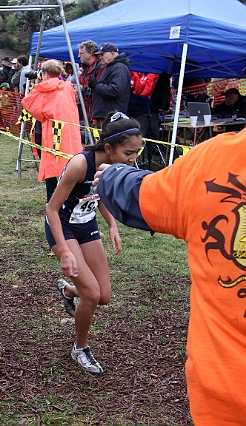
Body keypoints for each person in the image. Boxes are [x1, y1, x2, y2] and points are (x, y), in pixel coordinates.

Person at [95, 128, 246, 426]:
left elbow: (139, 195)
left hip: (226, 397)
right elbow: (147, 191)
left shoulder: (216, 160)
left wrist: (112, 176)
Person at [46, 111, 142, 374]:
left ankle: (68, 291)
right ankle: (80, 348)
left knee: (104, 296)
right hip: (63, 226)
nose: (133, 159)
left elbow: (98, 196)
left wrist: (112, 225)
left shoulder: (113, 166)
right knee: (92, 293)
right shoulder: (80, 164)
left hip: (86, 226)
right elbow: (51, 209)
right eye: (128, 153)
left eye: (137, 152)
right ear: (109, 148)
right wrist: (64, 251)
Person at [21, 59, 83, 202]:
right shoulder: (67, 86)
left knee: (50, 163)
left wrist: (37, 85)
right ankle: (71, 196)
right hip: (69, 132)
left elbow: (28, 103)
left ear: (45, 74)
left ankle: (52, 198)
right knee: (70, 162)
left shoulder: (42, 89)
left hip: (51, 133)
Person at [88, 42, 131, 124]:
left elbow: (115, 90)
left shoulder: (119, 68)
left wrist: (96, 85)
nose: (100, 57)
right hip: (105, 115)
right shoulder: (111, 67)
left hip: (111, 117)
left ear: (112, 53)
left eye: (102, 54)